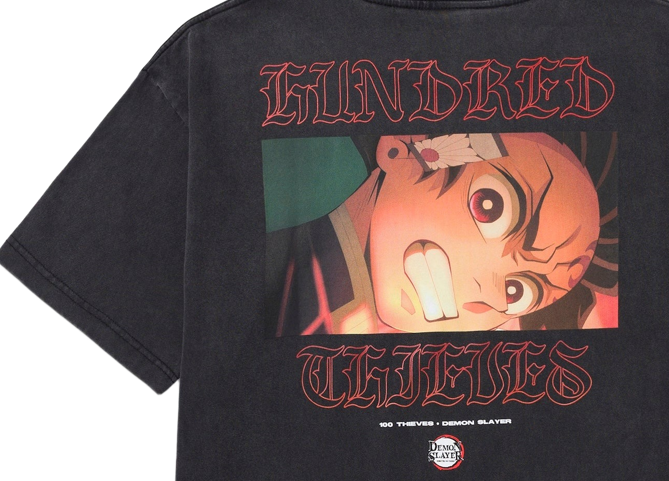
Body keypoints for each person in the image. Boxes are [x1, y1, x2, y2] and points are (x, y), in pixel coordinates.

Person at [264, 130, 619, 335]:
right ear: (403, 147)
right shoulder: (312, 178)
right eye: (490, 206)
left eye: (518, 291)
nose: (487, 294)